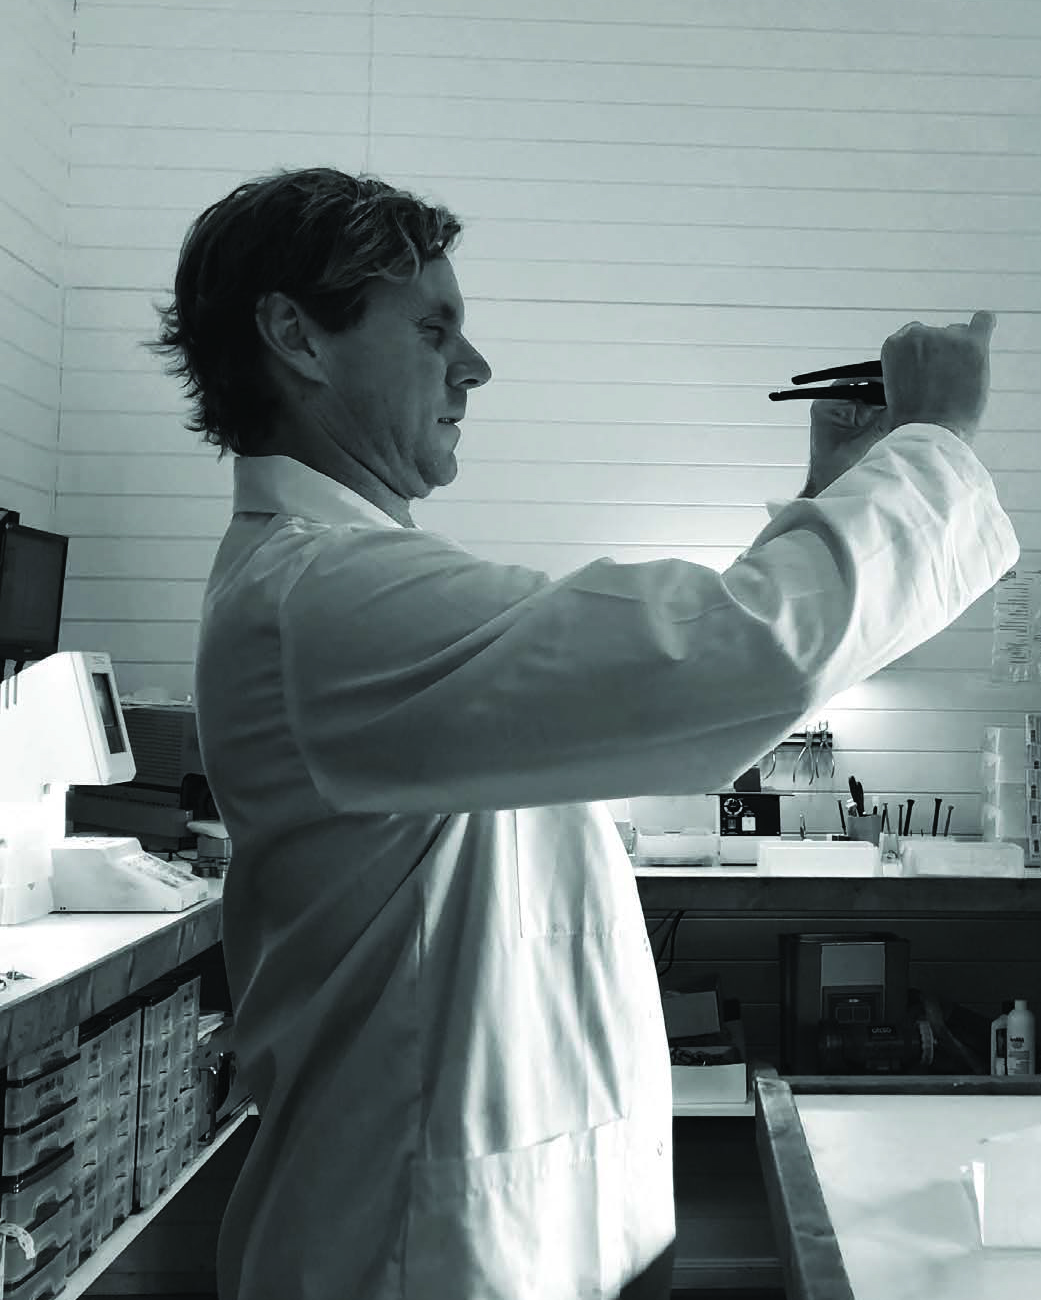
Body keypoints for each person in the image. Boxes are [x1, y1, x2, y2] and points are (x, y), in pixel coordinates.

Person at [151, 167, 1018, 1300]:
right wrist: (937, 441)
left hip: (525, 1225)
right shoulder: (319, 600)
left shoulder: (349, 587)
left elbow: (688, 684)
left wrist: (837, 484)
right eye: (433, 328)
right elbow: (727, 654)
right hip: (417, 1251)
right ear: (295, 336)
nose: (475, 366)